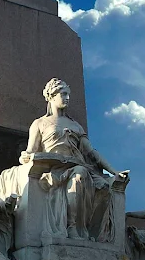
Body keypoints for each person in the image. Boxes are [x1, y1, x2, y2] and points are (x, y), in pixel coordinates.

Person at [19, 78, 129, 241]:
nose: (67, 98)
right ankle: (72, 227)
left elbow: (91, 152)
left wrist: (114, 171)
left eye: (68, 94)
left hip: (78, 165)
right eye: (63, 94)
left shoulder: (76, 126)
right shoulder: (40, 123)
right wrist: (25, 157)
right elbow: (31, 150)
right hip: (56, 168)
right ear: (52, 96)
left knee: (103, 187)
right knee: (79, 175)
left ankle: (90, 232)